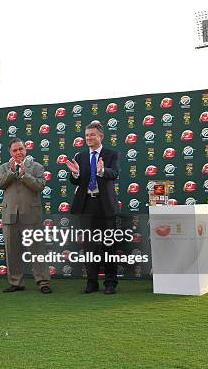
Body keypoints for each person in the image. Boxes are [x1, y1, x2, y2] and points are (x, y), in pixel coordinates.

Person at [65, 121, 120, 294]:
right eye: (87, 135)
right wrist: (75, 173)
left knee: (108, 245)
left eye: (92, 135)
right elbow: (76, 181)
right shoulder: (81, 156)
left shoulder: (111, 154)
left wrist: (102, 171)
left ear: (101, 137)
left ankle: (110, 283)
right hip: (86, 205)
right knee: (89, 246)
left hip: (105, 206)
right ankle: (92, 282)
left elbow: (115, 173)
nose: (88, 138)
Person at [0, 138, 51, 294]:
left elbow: (40, 186)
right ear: (10, 152)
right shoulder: (4, 167)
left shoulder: (37, 167)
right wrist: (12, 172)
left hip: (31, 215)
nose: (18, 152)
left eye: (21, 149)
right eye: (15, 150)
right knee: (12, 251)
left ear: (26, 150)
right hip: (10, 215)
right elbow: (0, 184)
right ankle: (15, 282)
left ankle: (43, 281)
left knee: (37, 250)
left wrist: (26, 176)